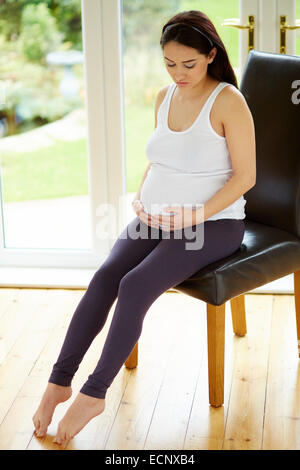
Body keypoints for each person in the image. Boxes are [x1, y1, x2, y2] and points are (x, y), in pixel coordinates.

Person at [32, 9, 256, 447]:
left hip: (213, 225)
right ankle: (59, 382)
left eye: (188, 64)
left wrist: (192, 216)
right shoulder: (164, 96)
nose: (179, 74)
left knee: (134, 286)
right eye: (170, 64)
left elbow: (245, 177)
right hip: (155, 216)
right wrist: (141, 197)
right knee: (104, 279)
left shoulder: (229, 101)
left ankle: (93, 393)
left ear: (210, 55)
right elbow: (160, 158)